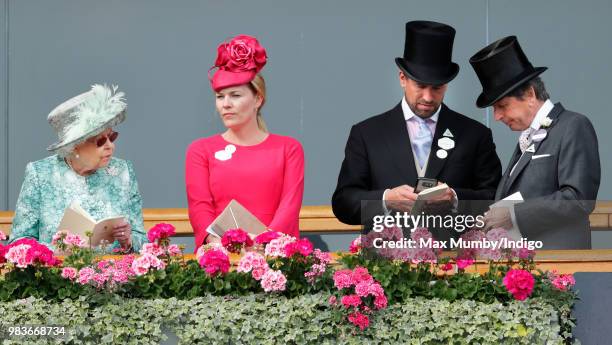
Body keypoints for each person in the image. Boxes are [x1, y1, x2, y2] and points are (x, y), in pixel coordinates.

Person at [332, 20, 501, 238]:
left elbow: (496, 198)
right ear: (402, 78)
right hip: (386, 264)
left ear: (447, 85)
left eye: (437, 88)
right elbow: (343, 203)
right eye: (420, 86)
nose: (428, 97)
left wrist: (454, 197)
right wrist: (386, 200)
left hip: (456, 263)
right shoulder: (366, 133)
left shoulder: (475, 134)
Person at [470, 36, 600, 249]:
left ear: (530, 94)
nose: (497, 116)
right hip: (525, 267)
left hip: (559, 264)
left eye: (502, 105)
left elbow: (579, 198)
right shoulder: (528, 135)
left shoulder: (573, 125)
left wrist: (512, 214)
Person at [185, 35, 304, 249]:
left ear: (258, 99)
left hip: (274, 257)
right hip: (220, 255)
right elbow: (199, 206)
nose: (226, 104)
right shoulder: (200, 150)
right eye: (220, 96)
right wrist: (216, 243)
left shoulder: (288, 148)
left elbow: (289, 206)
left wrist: (265, 245)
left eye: (235, 95)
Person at [10, 84, 147, 252]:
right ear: (74, 146)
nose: (110, 146)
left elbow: (142, 239)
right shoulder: (40, 174)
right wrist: (58, 249)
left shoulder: (123, 171)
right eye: (100, 141)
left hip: (114, 275)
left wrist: (130, 240)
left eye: (112, 136)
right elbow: (20, 240)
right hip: (57, 276)